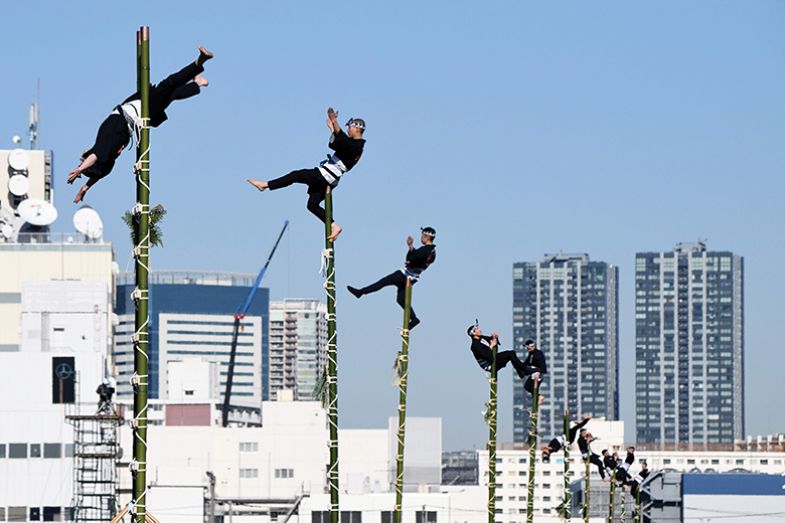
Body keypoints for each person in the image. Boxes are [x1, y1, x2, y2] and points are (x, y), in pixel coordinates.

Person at [67, 46, 214, 203]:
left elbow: (99, 173)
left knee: (171, 94)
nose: (82, 158)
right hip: (143, 109)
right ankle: (199, 61)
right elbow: (95, 157)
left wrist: (84, 188)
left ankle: (198, 83)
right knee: (168, 84)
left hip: (137, 106)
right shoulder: (103, 147)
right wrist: (81, 169)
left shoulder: (107, 158)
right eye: (83, 160)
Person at [247, 107, 366, 241]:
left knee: (295, 175)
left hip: (325, 175)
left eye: (349, 127)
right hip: (330, 179)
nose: (348, 130)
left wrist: (334, 122)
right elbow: (338, 144)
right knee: (312, 205)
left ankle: (265, 185)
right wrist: (332, 128)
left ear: (357, 129)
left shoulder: (357, 146)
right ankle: (334, 225)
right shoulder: (354, 145)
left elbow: (342, 141)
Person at [347, 227, 436, 329]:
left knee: (383, 282)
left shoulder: (425, 250)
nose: (421, 237)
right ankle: (414, 319)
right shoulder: (432, 251)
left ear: (426, 236)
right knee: (400, 299)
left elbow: (415, 257)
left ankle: (361, 292)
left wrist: (411, 250)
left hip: (405, 275)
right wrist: (411, 258)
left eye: (422, 235)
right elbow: (421, 261)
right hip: (413, 278)